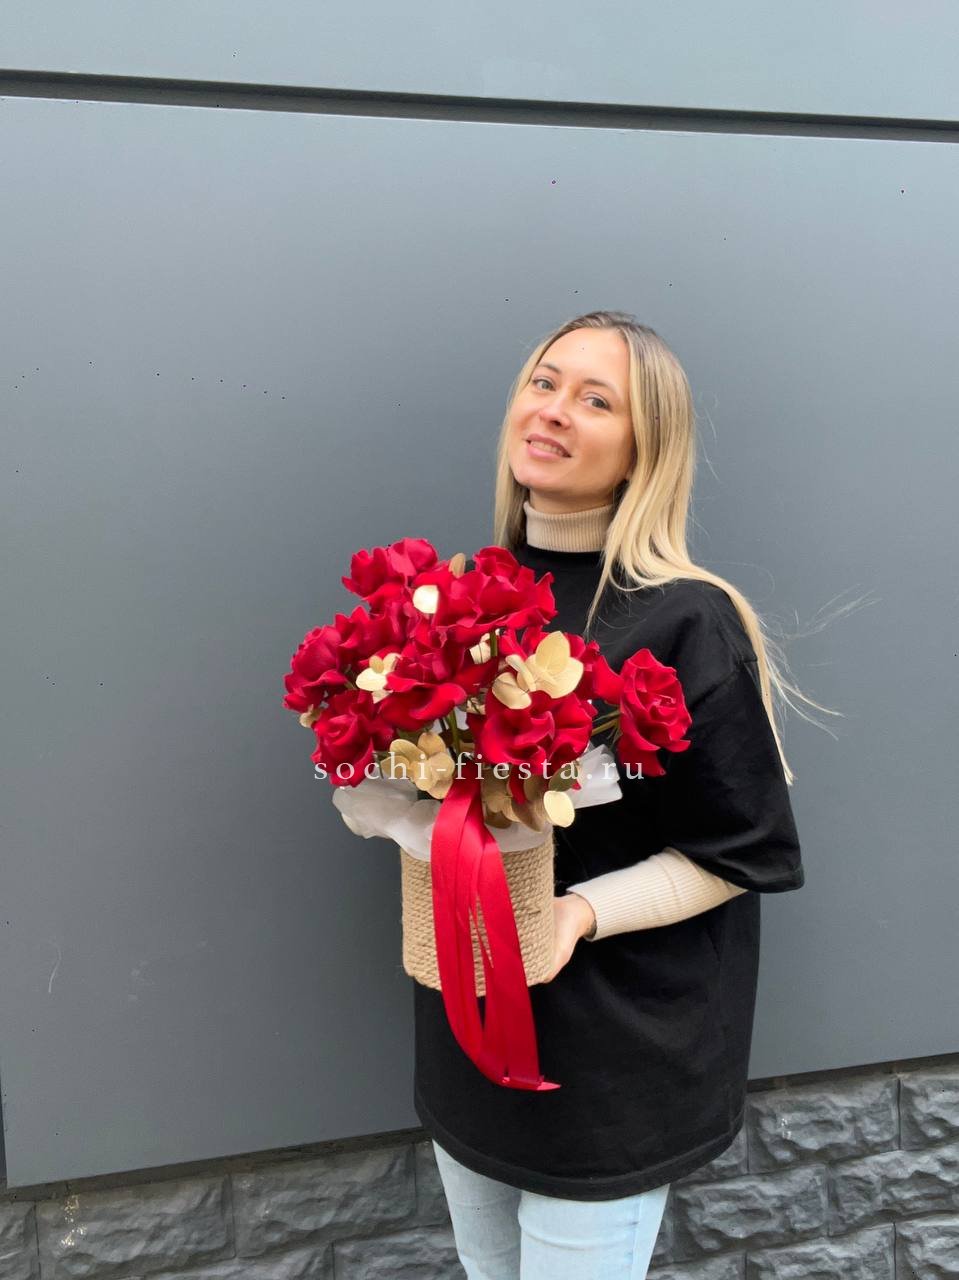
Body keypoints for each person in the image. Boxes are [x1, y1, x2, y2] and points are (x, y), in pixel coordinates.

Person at [414, 311, 824, 1279]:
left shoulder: (686, 618)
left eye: (596, 400)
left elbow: (745, 850)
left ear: (646, 449)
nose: (554, 410)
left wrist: (578, 911)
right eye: (544, 382)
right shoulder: (462, 591)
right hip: (469, 1025)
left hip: (613, 1058)